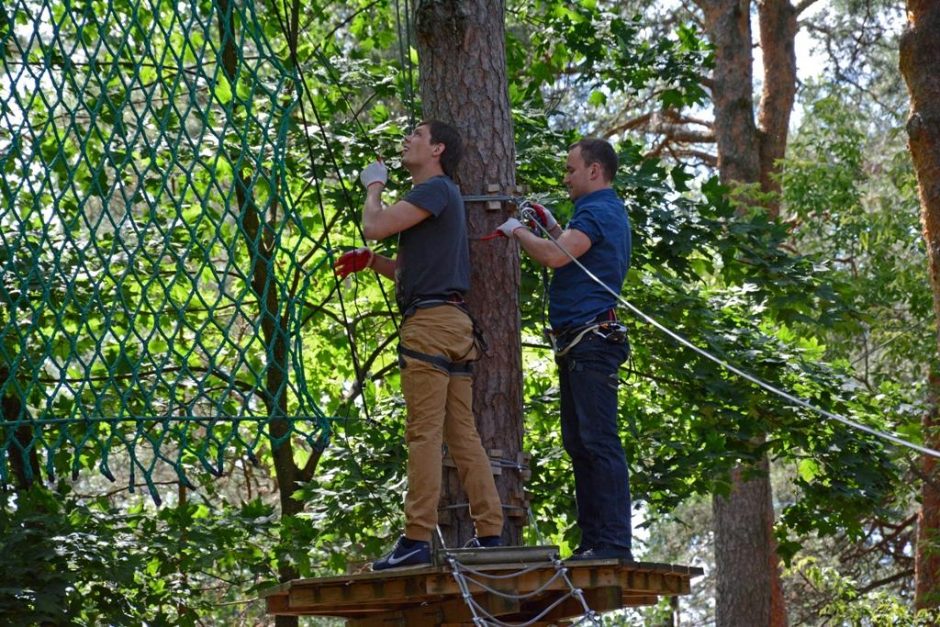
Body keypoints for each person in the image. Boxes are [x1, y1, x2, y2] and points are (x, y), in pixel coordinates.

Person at [334, 120, 504, 570]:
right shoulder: (440, 198)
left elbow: (374, 225)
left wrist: (374, 186)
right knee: (461, 434)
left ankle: (415, 539)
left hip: (430, 326)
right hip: (451, 323)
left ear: (438, 149)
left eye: (416, 135)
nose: (407, 140)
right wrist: (373, 263)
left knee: (423, 433)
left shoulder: (432, 190)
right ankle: (490, 534)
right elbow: (415, 272)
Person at [497, 138, 633, 561]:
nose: (565, 177)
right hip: (581, 344)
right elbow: (573, 253)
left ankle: (611, 542)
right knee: (581, 442)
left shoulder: (598, 209)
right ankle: (595, 541)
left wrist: (517, 230)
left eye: (571, 169)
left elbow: (556, 258)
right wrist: (552, 226)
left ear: (595, 171)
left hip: (592, 342)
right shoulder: (595, 214)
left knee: (597, 440)